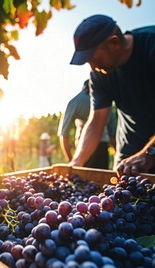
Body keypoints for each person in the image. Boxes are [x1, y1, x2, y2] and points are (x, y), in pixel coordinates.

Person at [69, 14, 155, 177]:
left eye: (93, 58)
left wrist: (149, 153)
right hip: (129, 161)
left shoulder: (151, 46)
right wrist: (76, 162)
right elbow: (96, 123)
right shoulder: (99, 74)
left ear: (114, 43)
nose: (92, 67)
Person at [57, 79, 117, 169]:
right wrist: (117, 154)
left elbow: (64, 134)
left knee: (82, 181)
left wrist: (71, 160)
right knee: (101, 180)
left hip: (83, 148)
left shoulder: (75, 101)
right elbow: (113, 134)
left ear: (83, 88)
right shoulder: (106, 102)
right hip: (102, 148)